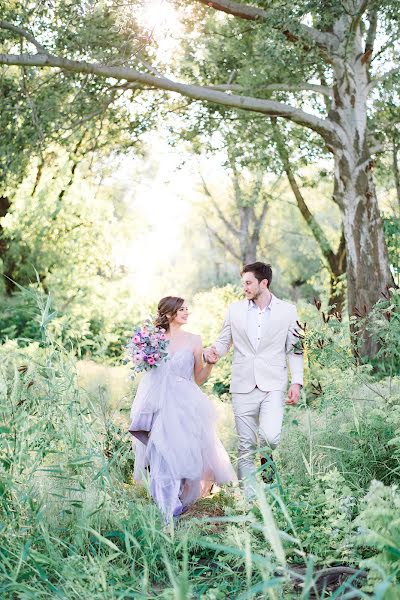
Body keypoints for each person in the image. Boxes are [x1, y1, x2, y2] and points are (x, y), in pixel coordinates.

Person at [129, 296, 237, 521]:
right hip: (160, 400)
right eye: (182, 310)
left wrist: (210, 364)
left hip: (186, 401)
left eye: (187, 309)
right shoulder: (153, 340)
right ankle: (168, 505)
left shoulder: (194, 340)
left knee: (185, 449)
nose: (187, 313)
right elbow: (149, 373)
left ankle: (182, 495)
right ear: (169, 314)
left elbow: (198, 379)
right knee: (163, 450)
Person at [204, 262, 304, 494]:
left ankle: (267, 458)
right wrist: (212, 352)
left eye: (248, 283)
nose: (245, 288)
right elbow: (223, 342)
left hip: (274, 384)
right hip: (243, 384)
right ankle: (249, 502)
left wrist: (296, 382)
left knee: (270, 437)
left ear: (264, 283)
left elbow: (296, 348)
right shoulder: (234, 310)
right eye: (243, 283)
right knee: (245, 446)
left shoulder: (288, 311)